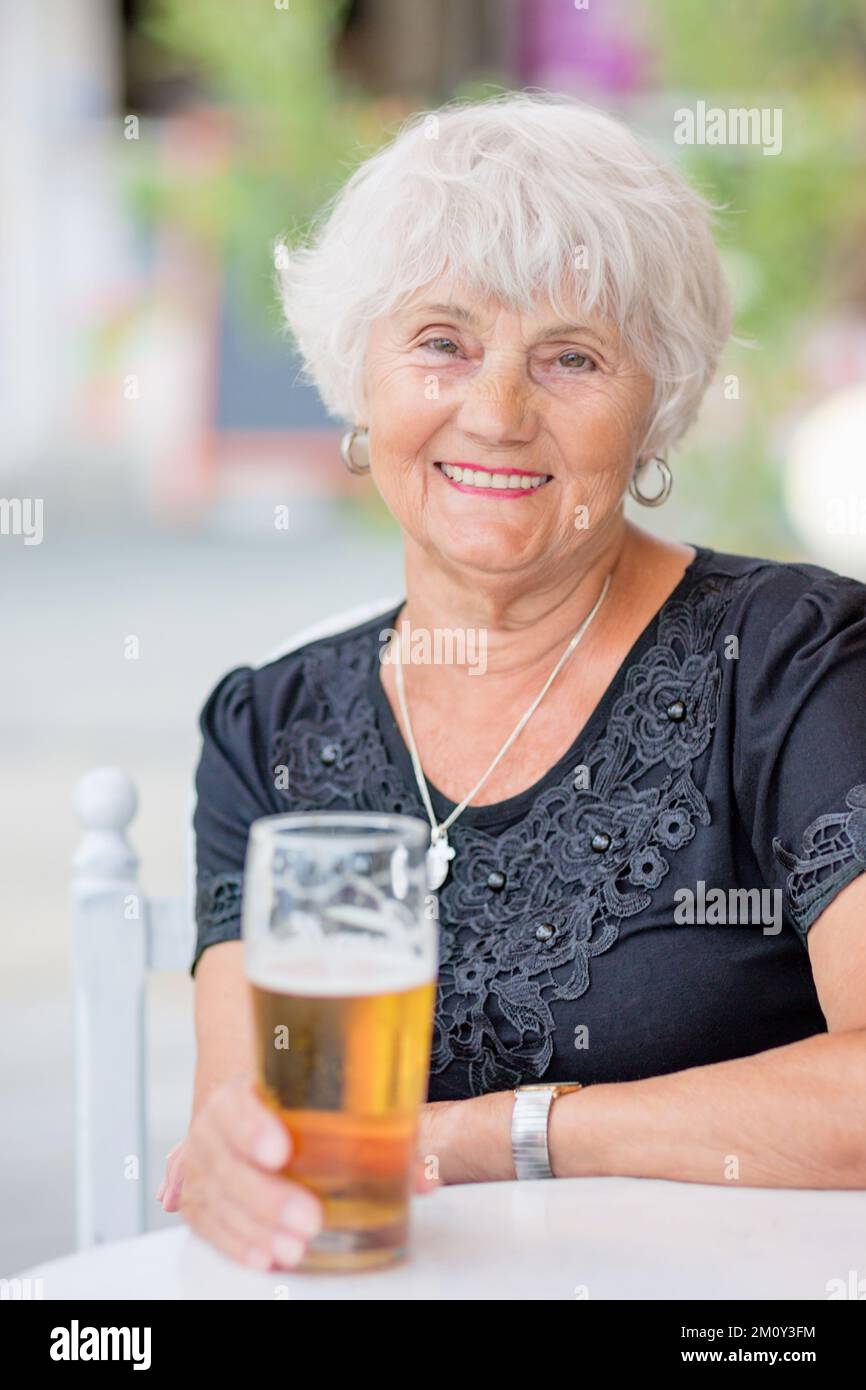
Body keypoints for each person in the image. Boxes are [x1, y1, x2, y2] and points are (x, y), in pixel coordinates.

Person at [157, 93, 866, 1271]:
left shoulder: (792, 660)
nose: (495, 413)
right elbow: (250, 1132)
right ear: (359, 380)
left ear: (654, 410)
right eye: (440, 342)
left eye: (571, 357)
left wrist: (494, 1135)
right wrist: (235, 1171)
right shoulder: (268, 729)